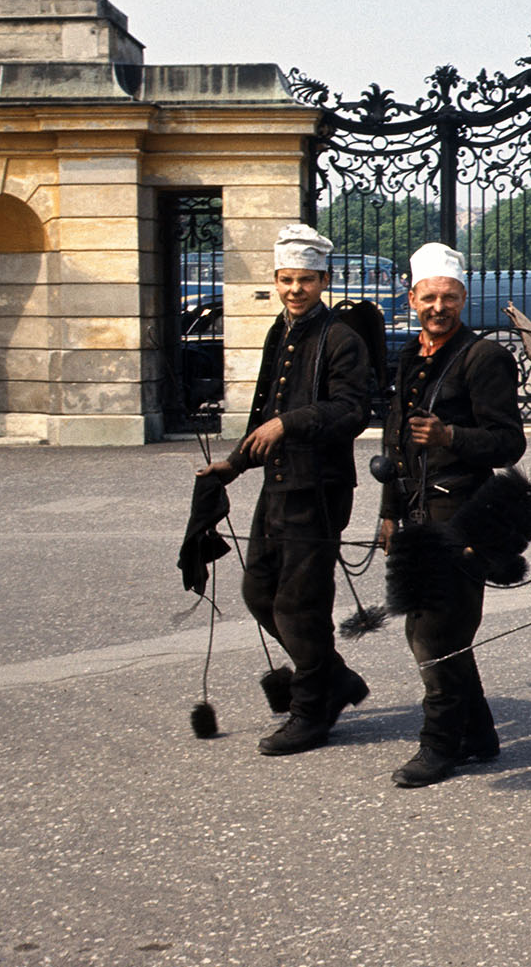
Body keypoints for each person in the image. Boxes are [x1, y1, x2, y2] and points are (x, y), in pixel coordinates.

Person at [197, 224, 372, 756]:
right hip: (278, 485)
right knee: (258, 594)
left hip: (318, 491)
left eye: (306, 280)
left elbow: (353, 411)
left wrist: (290, 423)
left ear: (325, 280)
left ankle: (311, 709)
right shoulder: (283, 329)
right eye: (287, 279)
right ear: (276, 280)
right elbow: (264, 418)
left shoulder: (341, 338)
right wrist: (232, 466)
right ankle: (333, 678)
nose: (296, 289)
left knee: (300, 606)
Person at [378, 242, 526, 787]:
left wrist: (450, 435)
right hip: (415, 513)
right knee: (436, 628)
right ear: (412, 297)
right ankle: (480, 732)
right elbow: (395, 441)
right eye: (429, 297)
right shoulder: (411, 356)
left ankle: (440, 745)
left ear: (464, 297)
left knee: (435, 634)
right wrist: (388, 512)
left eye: (450, 297)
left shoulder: (484, 357)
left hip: (462, 515)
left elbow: (510, 443)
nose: (439, 306)